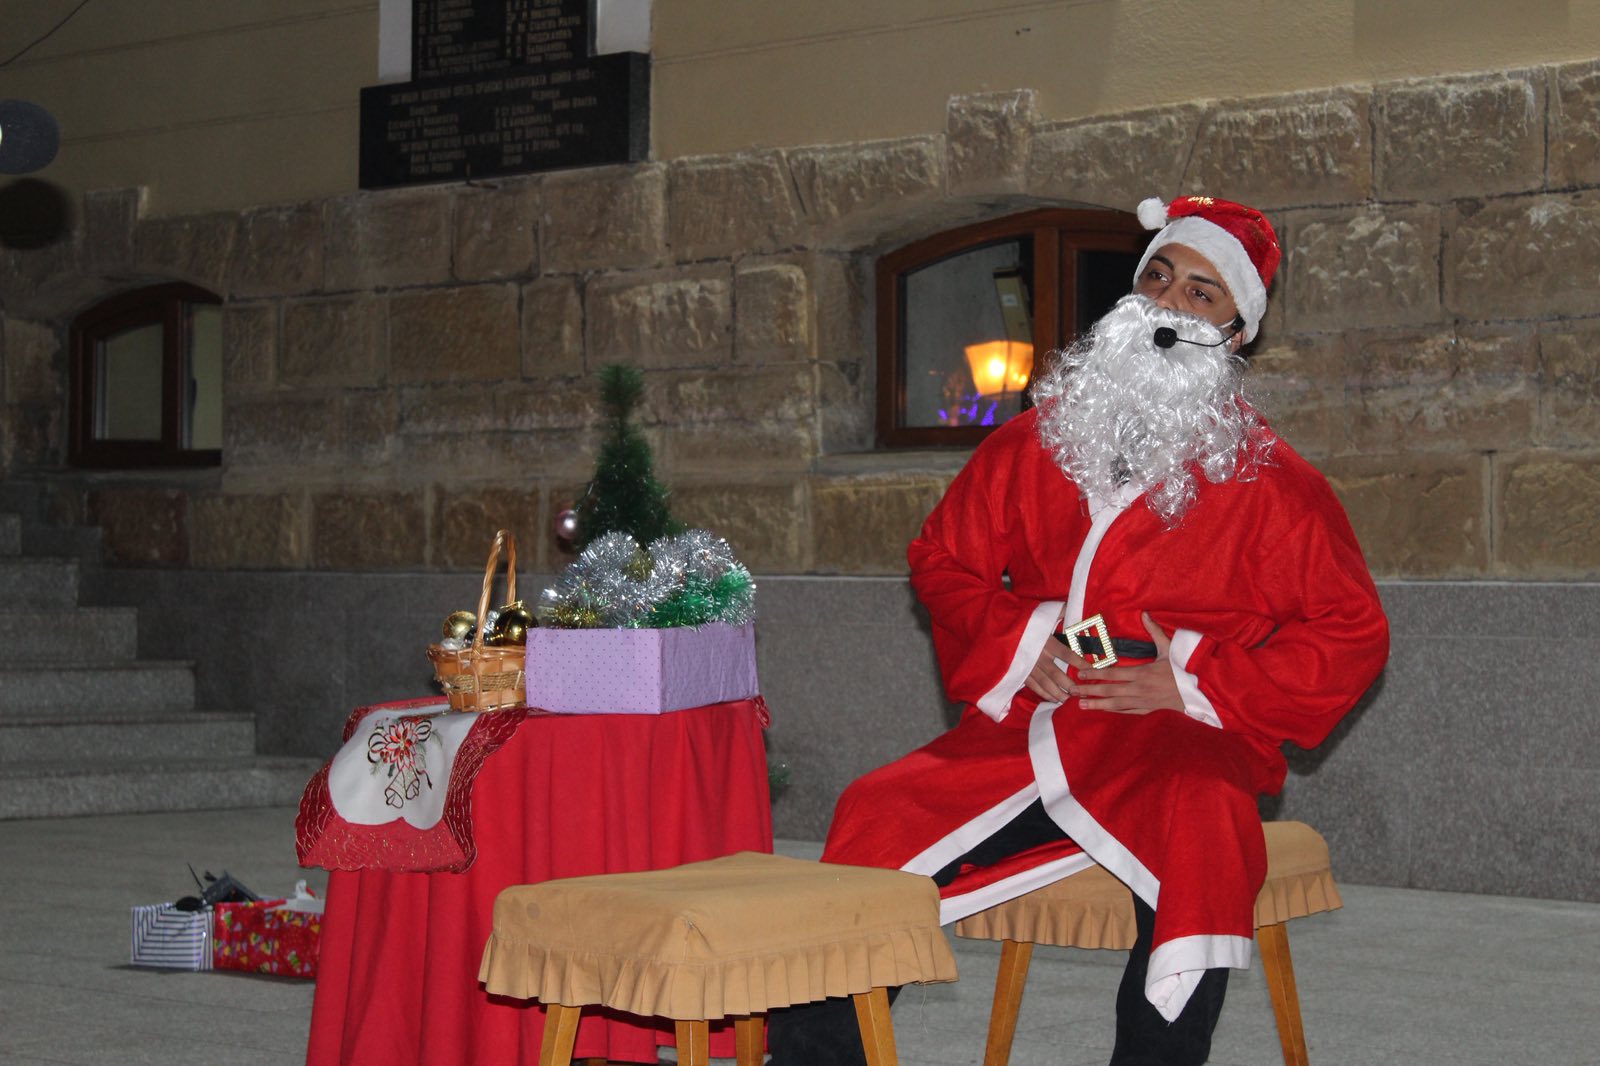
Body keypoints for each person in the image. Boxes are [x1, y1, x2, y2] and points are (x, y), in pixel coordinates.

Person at [768, 195, 1390, 1066]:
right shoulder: (1038, 441)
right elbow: (943, 559)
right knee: (878, 809)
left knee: (1203, 830)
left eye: (1201, 293)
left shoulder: (1277, 485)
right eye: (1158, 278)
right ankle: (814, 1055)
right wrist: (1026, 643)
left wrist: (1190, 676)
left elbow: (1352, 631)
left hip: (1179, 733)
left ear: (1239, 331)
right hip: (1038, 720)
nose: (1168, 306)